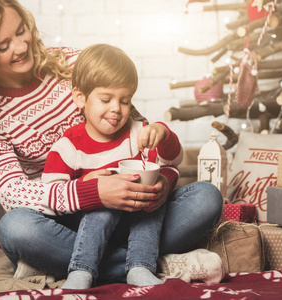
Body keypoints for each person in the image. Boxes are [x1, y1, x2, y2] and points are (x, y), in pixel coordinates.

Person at [0, 0, 223, 285]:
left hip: (132, 211)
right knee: (15, 228)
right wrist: (89, 193)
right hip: (64, 222)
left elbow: (140, 135)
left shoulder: (72, 64)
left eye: (21, 31)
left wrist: (162, 182)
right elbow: (11, 193)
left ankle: (76, 265)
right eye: (2, 46)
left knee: (206, 197)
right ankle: (154, 264)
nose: (20, 47)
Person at [42, 43, 181, 289]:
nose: (116, 108)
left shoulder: (138, 131)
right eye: (106, 99)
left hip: (139, 221)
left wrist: (163, 133)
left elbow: (172, 162)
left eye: (125, 101)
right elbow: (51, 197)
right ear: (80, 98)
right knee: (19, 227)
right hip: (91, 228)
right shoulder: (69, 146)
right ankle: (82, 270)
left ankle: (139, 266)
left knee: (200, 197)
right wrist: (86, 187)